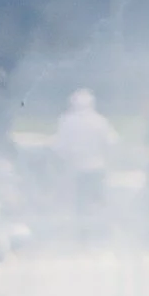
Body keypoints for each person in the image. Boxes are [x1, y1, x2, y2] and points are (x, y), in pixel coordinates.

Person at [49, 88, 119, 246]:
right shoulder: (99, 121)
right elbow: (111, 142)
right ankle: (102, 234)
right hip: (97, 168)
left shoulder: (66, 121)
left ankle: (83, 237)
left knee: (80, 205)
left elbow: (59, 148)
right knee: (98, 202)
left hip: (77, 170)